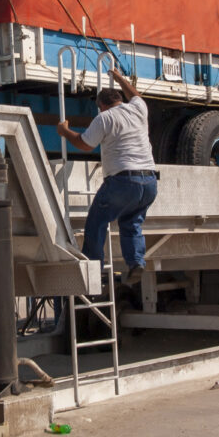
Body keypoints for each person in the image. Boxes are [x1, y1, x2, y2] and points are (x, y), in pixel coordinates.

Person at [56, 67, 157, 284]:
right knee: (131, 223)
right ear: (120, 99)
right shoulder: (139, 108)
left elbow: (84, 144)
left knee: (97, 221)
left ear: (101, 106)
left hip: (124, 181)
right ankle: (136, 263)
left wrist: (65, 132)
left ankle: (94, 268)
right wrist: (121, 79)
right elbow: (135, 94)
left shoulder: (105, 118)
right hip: (149, 182)